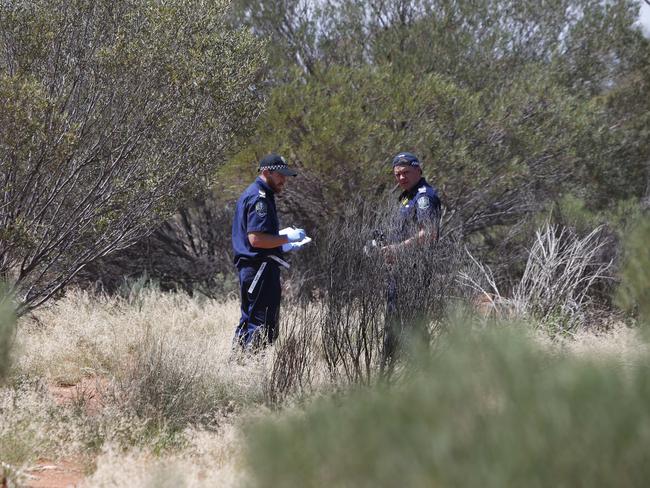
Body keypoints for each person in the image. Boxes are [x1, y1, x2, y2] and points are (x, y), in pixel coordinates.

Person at [231, 153, 308, 350]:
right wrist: (287, 238)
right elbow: (256, 240)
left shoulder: (260, 194)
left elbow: (260, 237)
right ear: (266, 172)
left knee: (251, 319)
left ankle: (238, 365)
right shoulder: (260, 198)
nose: (284, 180)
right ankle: (251, 368)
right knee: (261, 324)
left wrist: (283, 243)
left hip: (258, 267)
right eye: (280, 175)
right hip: (259, 268)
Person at [379, 151, 441, 370]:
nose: (401, 178)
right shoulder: (406, 195)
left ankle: (420, 373)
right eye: (397, 174)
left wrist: (398, 248)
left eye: (406, 172)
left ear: (418, 170)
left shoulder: (424, 196)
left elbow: (429, 232)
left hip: (414, 269)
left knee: (412, 323)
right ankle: (391, 372)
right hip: (399, 268)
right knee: (394, 321)